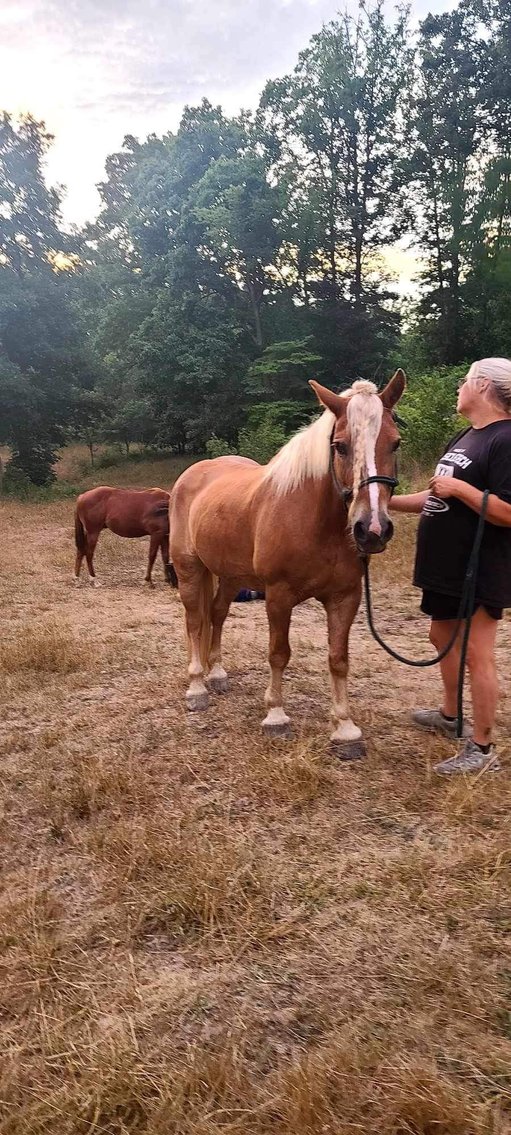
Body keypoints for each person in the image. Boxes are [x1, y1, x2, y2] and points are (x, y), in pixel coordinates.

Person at [390, 358, 511, 774]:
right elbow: (434, 497)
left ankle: (482, 749)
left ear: (481, 385)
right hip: (446, 565)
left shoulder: (506, 439)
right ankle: (450, 716)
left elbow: (508, 512)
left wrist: (460, 487)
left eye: (464, 380)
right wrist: (379, 502)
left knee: (478, 652)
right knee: (441, 634)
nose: (459, 387)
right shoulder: (466, 438)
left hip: (480, 565)